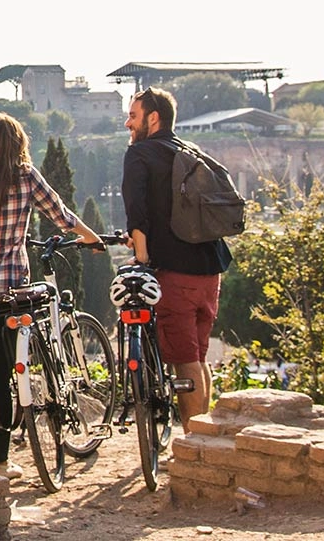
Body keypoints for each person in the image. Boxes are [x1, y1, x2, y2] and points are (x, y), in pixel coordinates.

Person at [0, 113, 103, 478]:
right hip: (4, 291)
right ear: (17, 145)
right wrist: (92, 238)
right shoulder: (25, 176)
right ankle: (0, 464)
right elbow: (61, 216)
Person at [122, 86, 233, 432]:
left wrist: (140, 258)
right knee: (198, 358)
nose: (127, 123)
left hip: (176, 272)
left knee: (184, 363)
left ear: (153, 118)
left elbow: (136, 212)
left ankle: (191, 446)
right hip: (210, 268)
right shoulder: (189, 150)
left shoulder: (140, 154)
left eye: (133, 115)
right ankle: (202, 438)